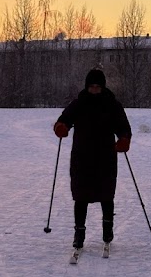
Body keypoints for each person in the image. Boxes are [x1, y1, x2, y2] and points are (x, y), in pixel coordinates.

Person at [53, 67, 132, 248]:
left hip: (105, 156)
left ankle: (107, 230)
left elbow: (123, 127)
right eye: (91, 87)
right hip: (82, 157)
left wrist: (124, 139)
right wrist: (61, 127)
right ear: (87, 87)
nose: (94, 90)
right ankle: (79, 233)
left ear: (103, 87)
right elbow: (64, 119)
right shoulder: (78, 104)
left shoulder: (112, 105)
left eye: (97, 87)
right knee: (80, 195)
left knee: (107, 194)